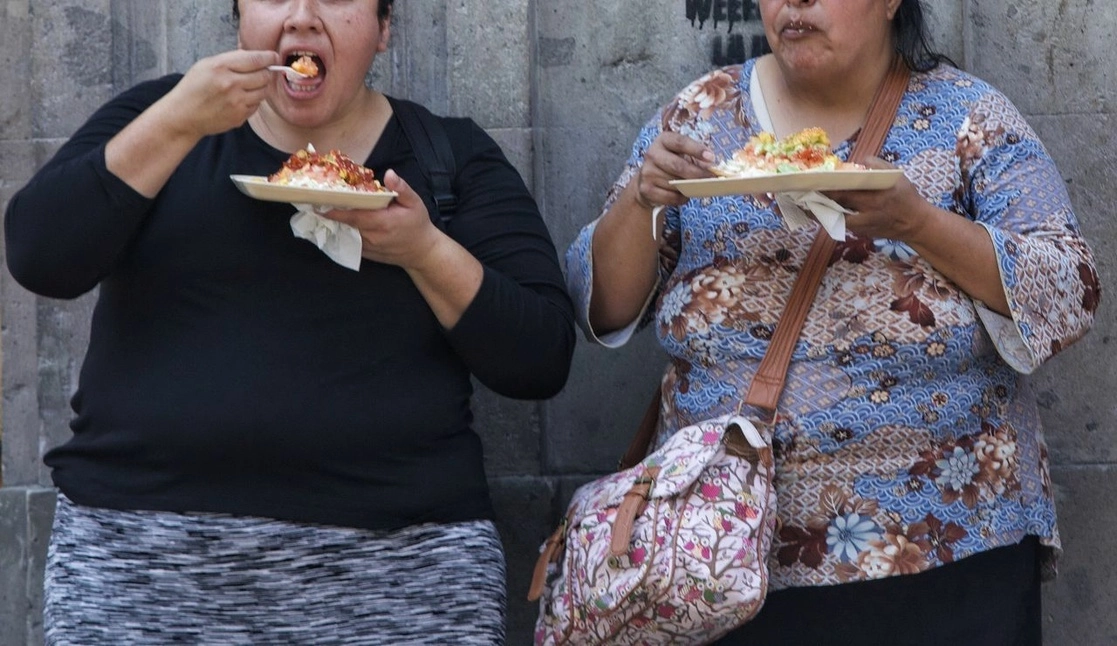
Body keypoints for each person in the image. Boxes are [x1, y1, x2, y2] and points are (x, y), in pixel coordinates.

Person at [5, 1, 575, 643]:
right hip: (143, 565)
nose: (301, 18)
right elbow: (39, 257)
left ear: (385, 28)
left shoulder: (446, 156)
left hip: (401, 573)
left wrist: (424, 250)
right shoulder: (167, 119)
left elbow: (541, 358)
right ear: (240, 19)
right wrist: (175, 122)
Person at [563, 0, 1099, 643]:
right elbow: (603, 307)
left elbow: (1068, 288)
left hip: (947, 546)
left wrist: (919, 224)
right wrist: (639, 201)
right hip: (723, 557)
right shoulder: (701, 114)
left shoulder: (967, 118)